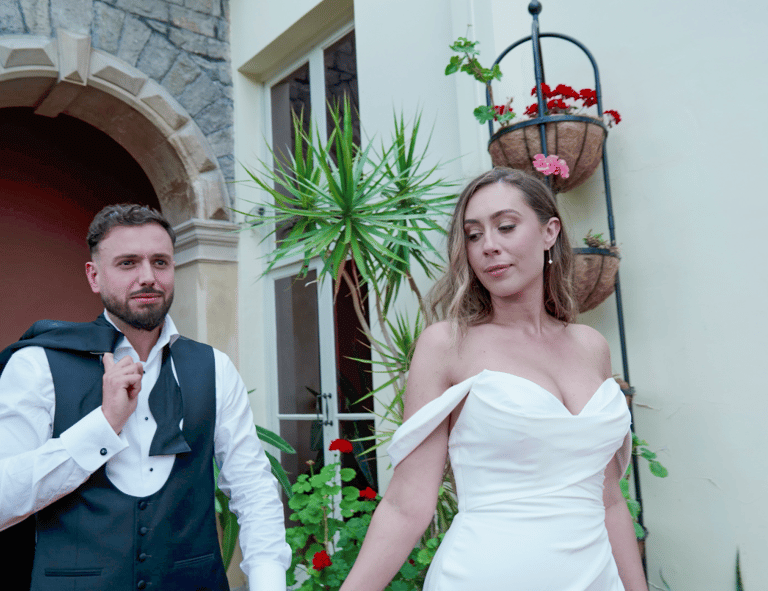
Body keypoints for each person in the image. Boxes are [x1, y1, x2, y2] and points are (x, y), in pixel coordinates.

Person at [340, 168, 648, 591]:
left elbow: (609, 500)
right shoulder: (447, 344)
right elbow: (406, 505)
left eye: (505, 226)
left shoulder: (591, 346)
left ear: (549, 232)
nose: (489, 246)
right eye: (472, 235)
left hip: (596, 579)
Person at [0, 204, 291, 591]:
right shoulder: (37, 366)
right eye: (127, 263)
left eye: (160, 262)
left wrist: (268, 584)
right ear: (94, 276)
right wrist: (103, 426)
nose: (148, 277)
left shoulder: (214, 367)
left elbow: (252, 488)